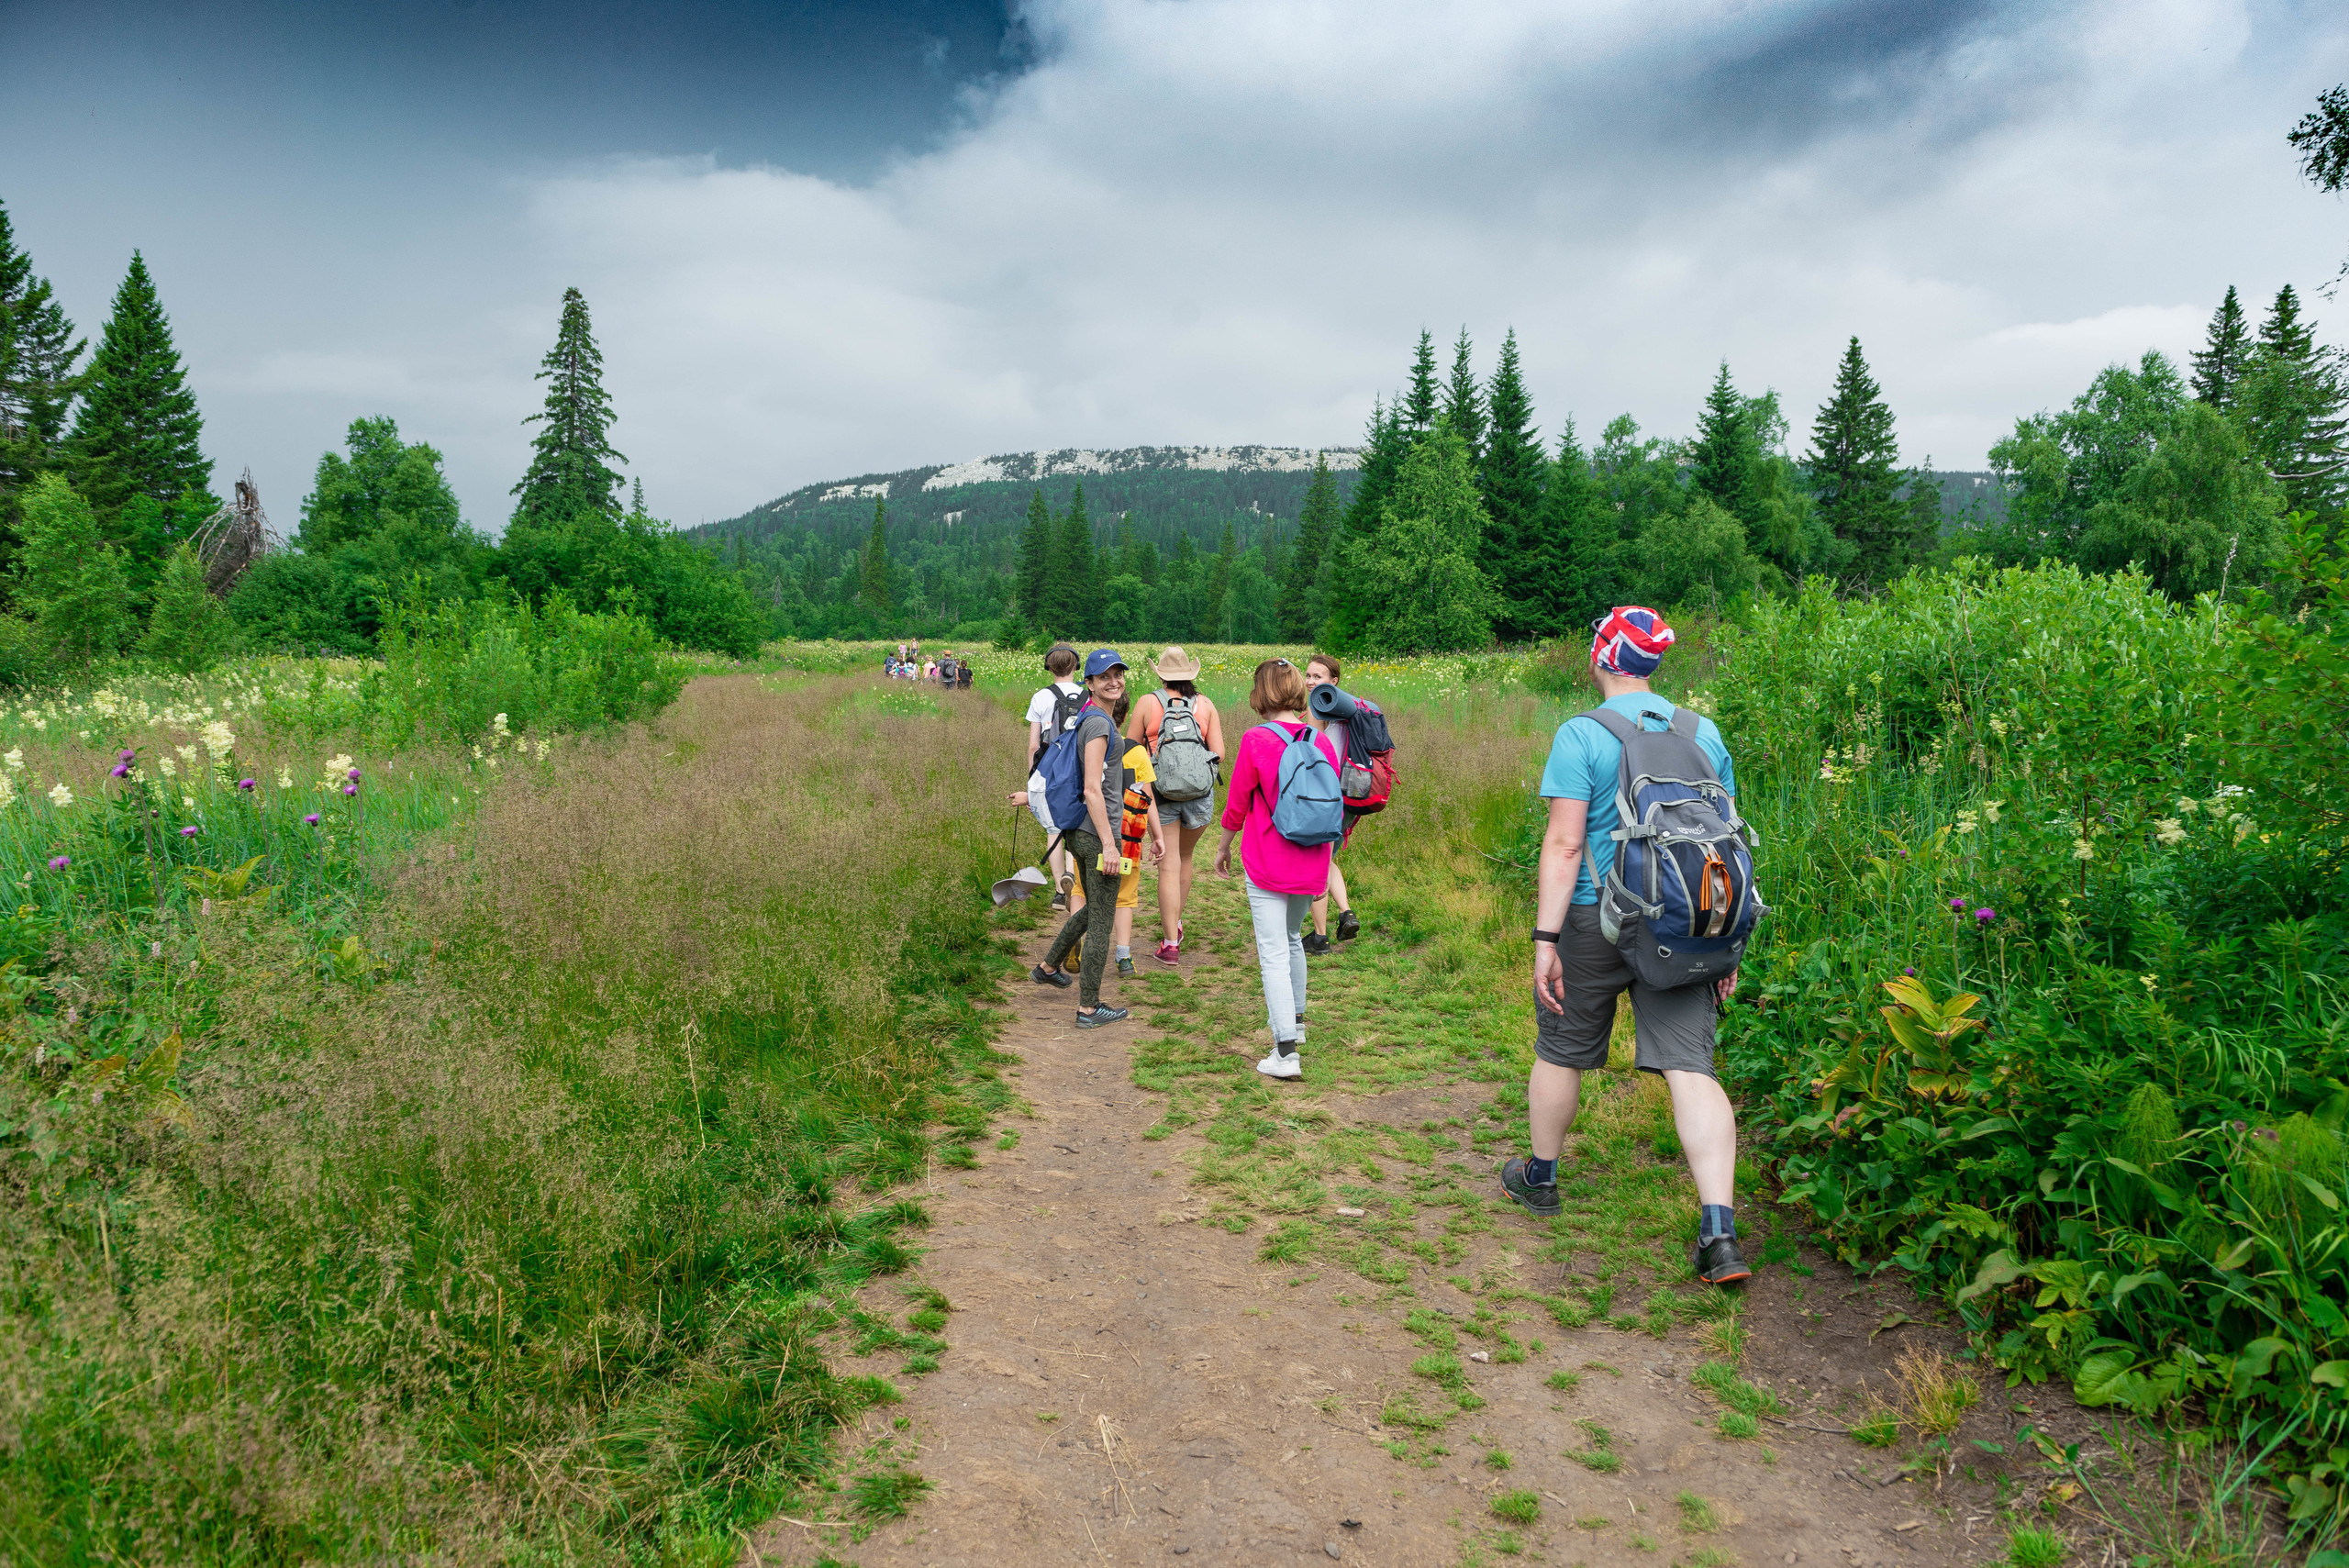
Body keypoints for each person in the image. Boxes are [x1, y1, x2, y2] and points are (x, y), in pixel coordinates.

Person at [1501, 606, 1751, 1285]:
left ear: (1601, 658)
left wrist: (1545, 940)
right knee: (1692, 1067)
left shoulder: (1582, 734)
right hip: (1683, 920)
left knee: (1563, 1046)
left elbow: (1565, 845)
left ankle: (1541, 1178)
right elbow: (1721, 843)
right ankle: (1720, 1234)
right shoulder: (1703, 732)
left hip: (1595, 919)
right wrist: (1725, 938)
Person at [1214, 658, 1340, 1081]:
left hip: (1268, 859)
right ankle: (1296, 1025)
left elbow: (1237, 803)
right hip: (1313, 859)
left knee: (1272, 952)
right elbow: (1332, 804)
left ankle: (1285, 1053)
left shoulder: (1256, 739)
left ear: (1261, 692)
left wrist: (1223, 847)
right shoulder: (1320, 741)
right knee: (1291, 939)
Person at [1029, 649, 1136, 1029]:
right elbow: (1092, 788)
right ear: (1088, 682)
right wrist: (1109, 844)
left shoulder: (1088, 716)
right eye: (1104, 676)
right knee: (1103, 921)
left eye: (1118, 674)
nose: (1114, 681)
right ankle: (1089, 1008)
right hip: (1096, 833)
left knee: (1095, 909)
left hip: (1079, 831)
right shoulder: (1099, 725)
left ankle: (1047, 967)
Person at [1125, 646, 1225, 965]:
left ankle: (1170, 944)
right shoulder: (1205, 705)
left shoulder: (1147, 703)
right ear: (1190, 675)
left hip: (1160, 793)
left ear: (1161, 675)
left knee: (1167, 864)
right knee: (1185, 857)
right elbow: (1219, 754)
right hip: (1199, 795)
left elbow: (1130, 752)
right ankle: (1176, 924)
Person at [1302, 653, 1362, 955]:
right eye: (1308, 675)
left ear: (1333, 680)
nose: (1311, 681)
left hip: (1328, 797)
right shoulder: (1345, 707)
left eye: (1318, 676)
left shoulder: (1319, 707)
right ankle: (1346, 913)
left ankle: (1321, 938)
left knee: (1318, 861)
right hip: (1350, 794)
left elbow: (1312, 752)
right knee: (1326, 859)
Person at [1108, 695, 1168, 979]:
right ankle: (1123, 956)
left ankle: (1076, 946)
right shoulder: (1136, 752)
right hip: (1127, 837)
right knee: (1125, 896)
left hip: (1090, 831)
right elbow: (1147, 798)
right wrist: (1157, 836)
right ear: (1126, 715)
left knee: (1082, 891)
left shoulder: (1085, 745)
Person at [1025, 643, 1085, 911]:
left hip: (1048, 770)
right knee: (1074, 825)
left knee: (1053, 828)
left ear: (1049, 667)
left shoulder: (1041, 697)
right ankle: (1074, 877)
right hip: (1079, 769)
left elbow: (1034, 745)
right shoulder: (1087, 695)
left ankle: (1061, 892)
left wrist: (1032, 777)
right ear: (1076, 666)